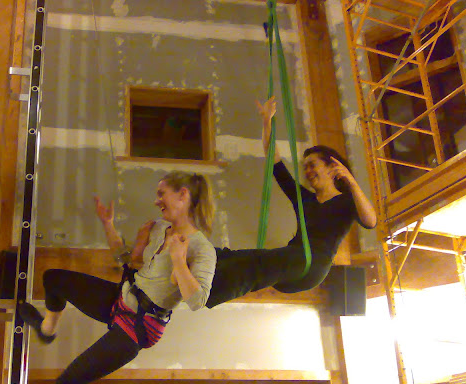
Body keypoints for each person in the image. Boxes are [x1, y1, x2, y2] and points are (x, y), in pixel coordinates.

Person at [0, 171, 216, 384]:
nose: (156, 201)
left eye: (161, 193)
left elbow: (197, 301)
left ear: (183, 195)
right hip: (120, 299)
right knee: (53, 279)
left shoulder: (202, 248)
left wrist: (178, 259)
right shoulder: (159, 229)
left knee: (67, 382)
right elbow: (125, 259)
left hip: (138, 328)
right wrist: (108, 224)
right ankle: (47, 328)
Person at [130, 97, 377, 308]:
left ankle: (208, 292)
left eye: (313, 165)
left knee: (255, 265)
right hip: (292, 263)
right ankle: (195, 262)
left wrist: (351, 181)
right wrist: (267, 121)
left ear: (333, 167)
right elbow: (274, 162)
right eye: (306, 167)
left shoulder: (346, 202)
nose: (308, 171)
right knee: (236, 256)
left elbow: (370, 221)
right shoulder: (305, 199)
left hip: (311, 266)